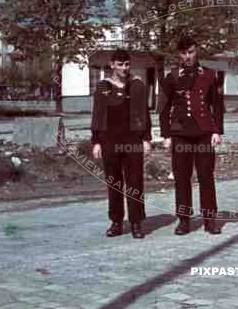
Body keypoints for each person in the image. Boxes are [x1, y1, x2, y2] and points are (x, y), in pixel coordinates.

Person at [159, 35, 224, 235]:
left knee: (206, 177)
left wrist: (217, 130)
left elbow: (217, 105)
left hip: (204, 133)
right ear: (179, 54)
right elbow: (163, 108)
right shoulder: (171, 77)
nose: (188, 56)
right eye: (184, 53)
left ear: (196, 52)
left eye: (191, 52)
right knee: (181, 178)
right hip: (180, 134)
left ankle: (209, 219)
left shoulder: (209, 75)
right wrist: (166, 135)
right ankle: (184, 220)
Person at [90, 48, 152, 239]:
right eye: (120, 64)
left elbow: (144, 114)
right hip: (110, 141)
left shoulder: (137, 85)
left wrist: (146, 139)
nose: (124, 68)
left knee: (135, 182)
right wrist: (96, 141)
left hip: (133, 140)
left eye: (127, 64)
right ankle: (116, 222)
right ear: (112, 65)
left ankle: (136, 223)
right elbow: (98, 115)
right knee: (114, 182)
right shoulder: (103, 86)